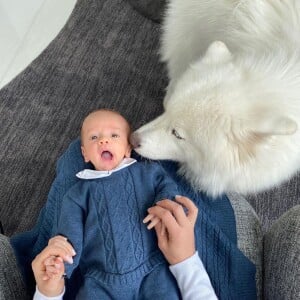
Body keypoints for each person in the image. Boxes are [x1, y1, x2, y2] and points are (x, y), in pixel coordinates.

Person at [32, 109, 218, 299]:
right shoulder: (77, 194)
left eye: (114, 135)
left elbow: (167, 186)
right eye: (94, 137)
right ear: (85, 154)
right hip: (100, 279)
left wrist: (163, 202)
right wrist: (60, 263)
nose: (103, 141)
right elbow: (69, 235)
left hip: (152, 268)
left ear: (128, 149)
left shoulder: (148, 172)